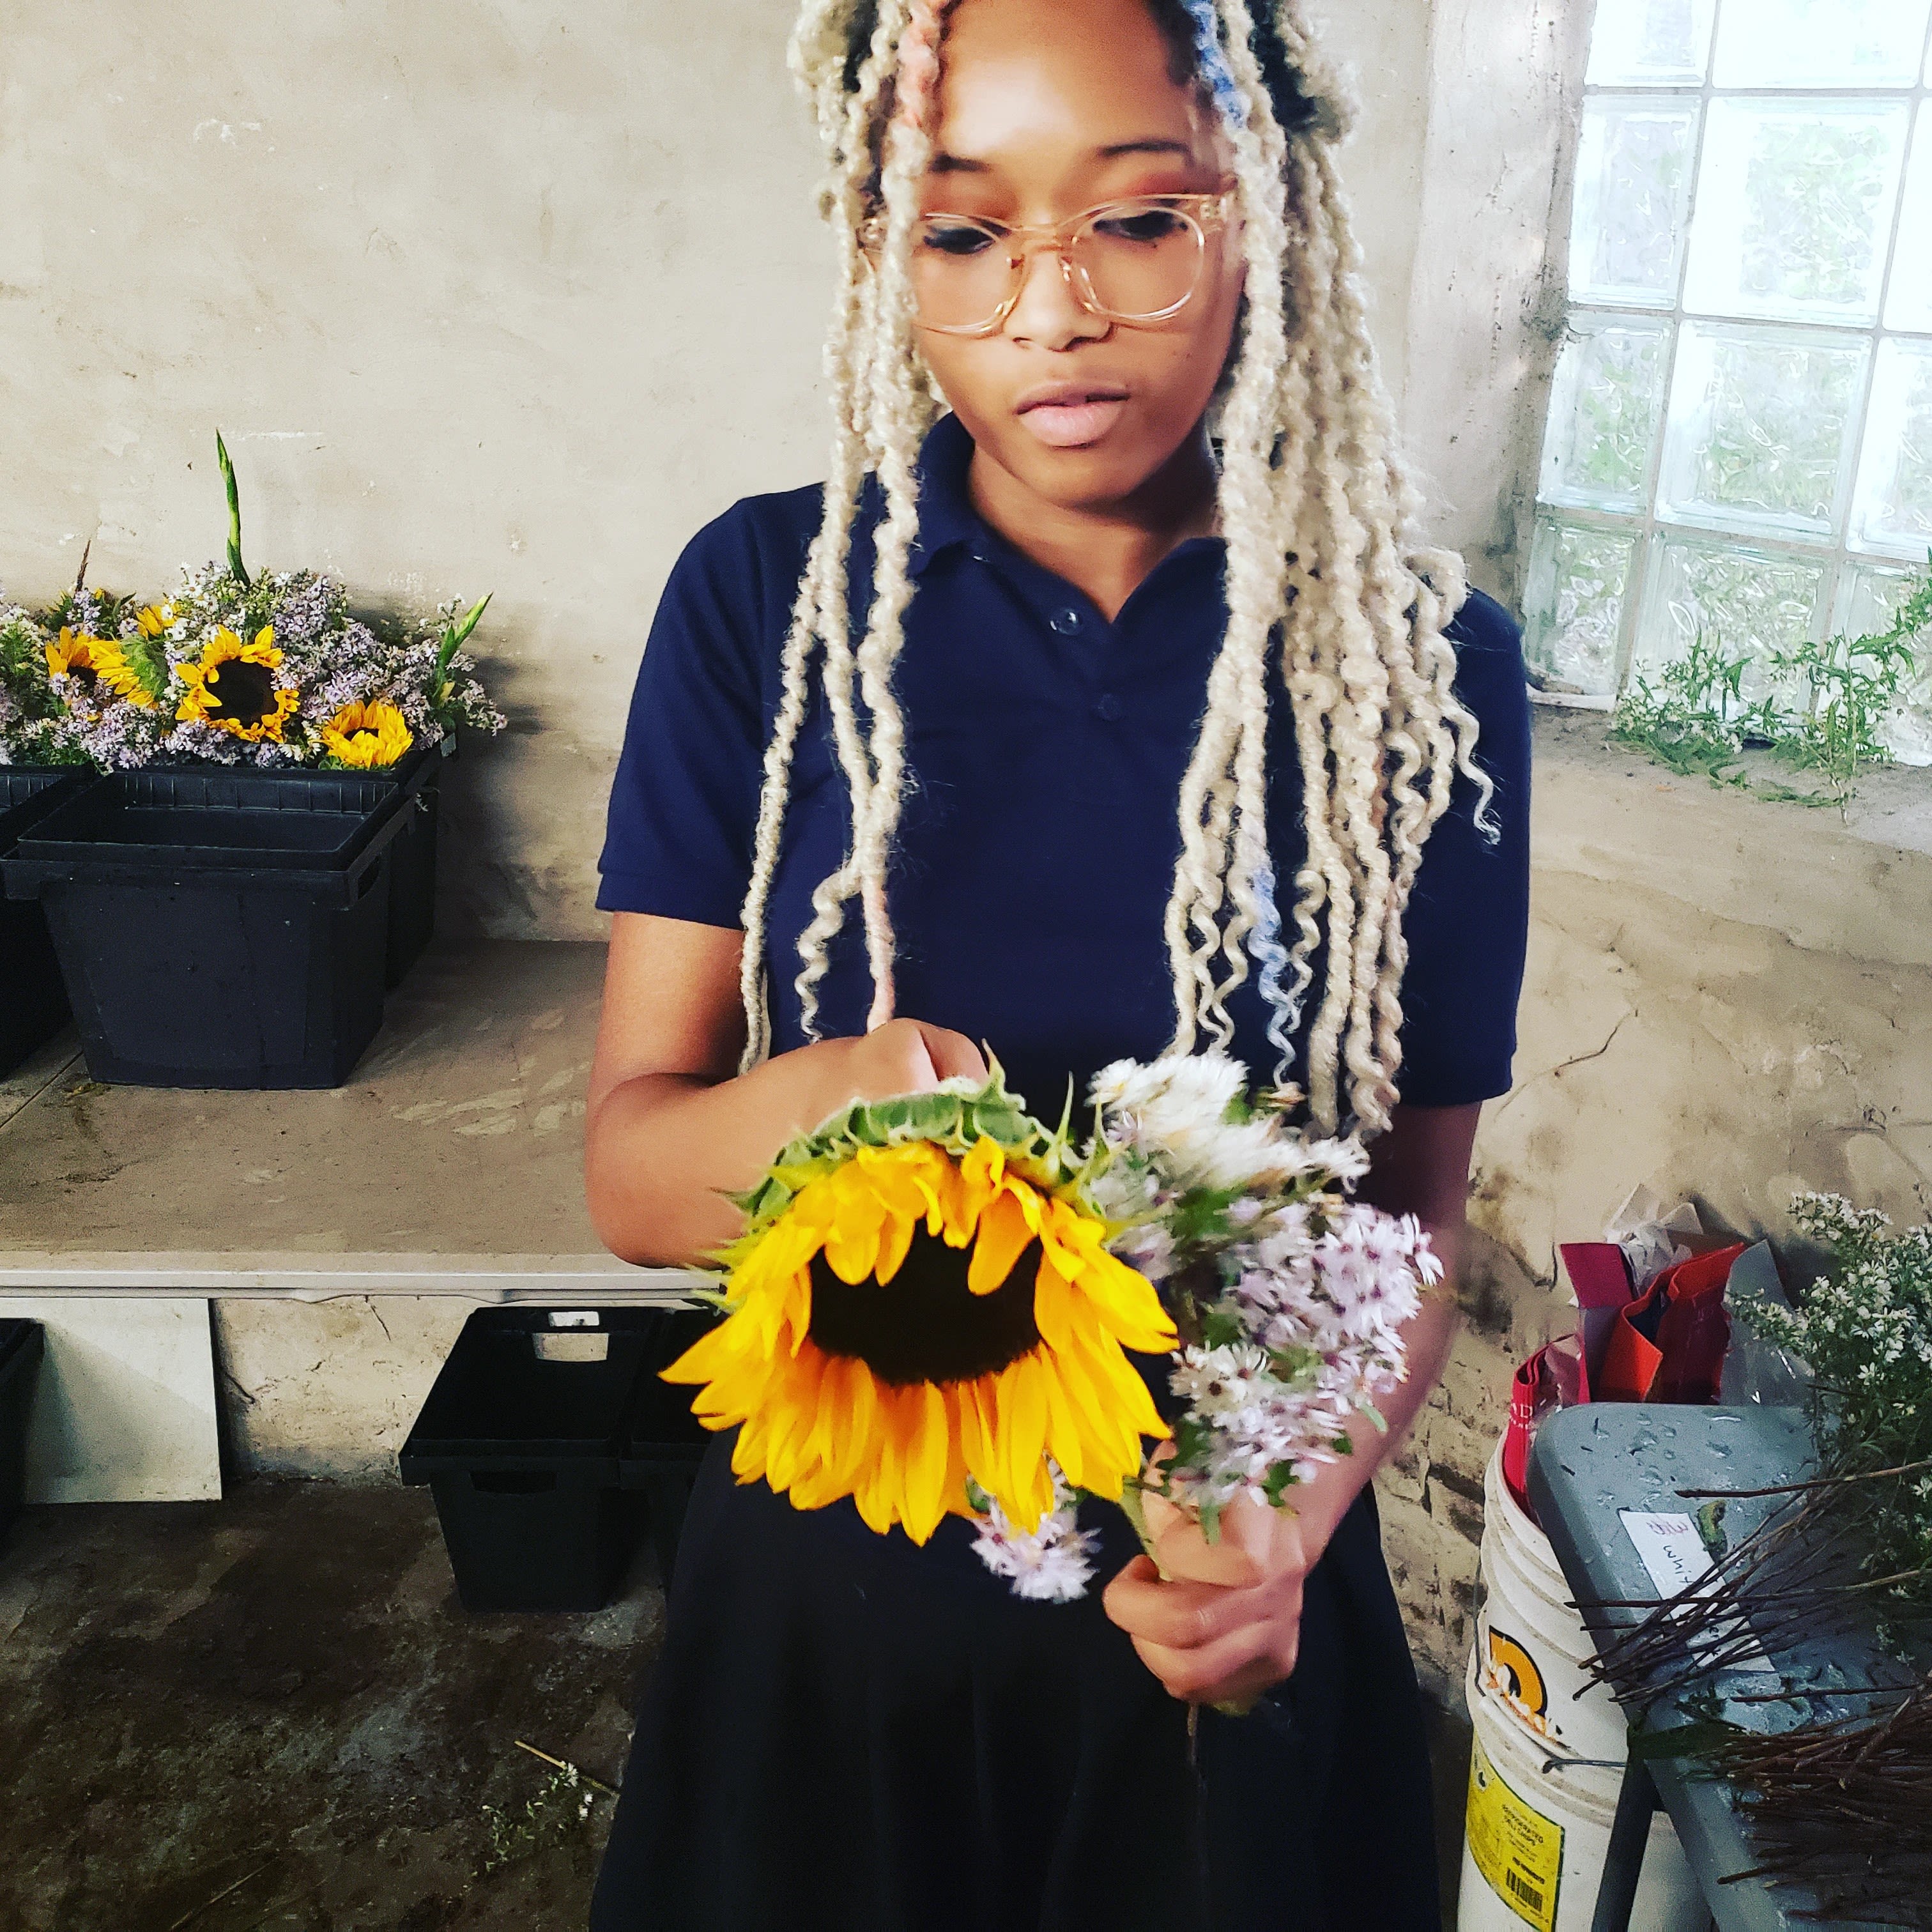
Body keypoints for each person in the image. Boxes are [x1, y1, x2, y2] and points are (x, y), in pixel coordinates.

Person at [583, 0, 1530, 1925]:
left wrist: (1290, 1523)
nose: (1052, 309)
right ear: (883, 256)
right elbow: (627, 1170)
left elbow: (1412, 1212)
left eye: (1140, 217)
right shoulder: (768, 604)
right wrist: (822, 1114)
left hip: (1218, 1599)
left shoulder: (1416, 666)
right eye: (962, 231)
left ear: (1260, 217)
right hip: (830, 1596)